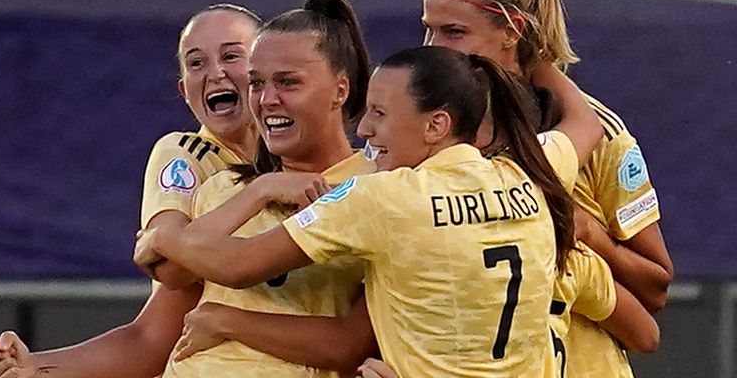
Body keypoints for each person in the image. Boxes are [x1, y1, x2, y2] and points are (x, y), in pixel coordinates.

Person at [134, 45, 605, 377]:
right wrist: (531, 50)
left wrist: (162, 236)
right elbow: (585, 121)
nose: (365, 128)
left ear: (436, 125)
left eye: (380, 113)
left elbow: (235, 266)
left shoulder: (381, 198)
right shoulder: (527, 173)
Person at [0, 4, 265, 378]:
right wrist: (37, 367)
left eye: (231, 56)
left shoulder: (327, 171)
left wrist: (165, 239)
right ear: (184, 90)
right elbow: (155, 324)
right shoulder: (186, 156)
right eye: (196, 63)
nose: (216, 73)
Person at [421, 0, 671, 376]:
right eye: (428, 30)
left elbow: (655, 290)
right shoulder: (422, 127)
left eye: (453, 32)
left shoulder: (597, 133)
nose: (432, 48)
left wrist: (589, 233)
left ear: (512, 30)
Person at [137, 0, 380, 378]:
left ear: (341, 89)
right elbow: (172, 273)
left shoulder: (376, 189)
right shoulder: (222, 187)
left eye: (287, 82)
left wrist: (221, 317)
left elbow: (347, 345)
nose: (267, 100)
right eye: (256, 83)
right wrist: (261, 189)